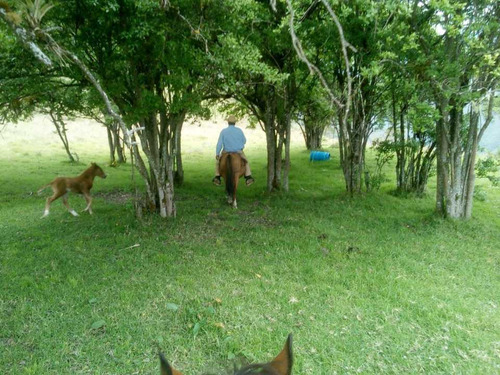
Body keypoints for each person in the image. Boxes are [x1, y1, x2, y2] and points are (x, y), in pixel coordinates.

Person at [213, 115, 255, 186]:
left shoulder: (223, 131)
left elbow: (219, 143)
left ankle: (217, 177)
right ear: (235, 123)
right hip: (238, 151)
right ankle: (248, 177)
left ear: (228, 122)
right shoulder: (239, 131)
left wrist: (217, 153)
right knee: (246, 161)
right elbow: (244, 141)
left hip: (226, 151)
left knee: (218, 162)